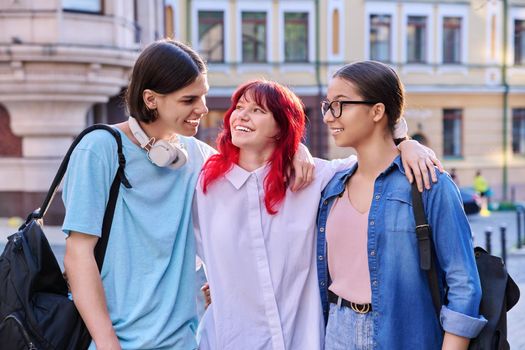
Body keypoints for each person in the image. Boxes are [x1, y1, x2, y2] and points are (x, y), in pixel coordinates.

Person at [61, 38, 317, 350]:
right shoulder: (100, 149)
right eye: (189, 100)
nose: (203, 109)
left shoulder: (196, 156)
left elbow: (256, 166)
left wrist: (297, 150)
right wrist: (107, 344)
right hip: (109, 344)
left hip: (184, 343)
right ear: (152, 99)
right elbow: (78, 255)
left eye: (203, 97)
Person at [193, 79, 443, 349]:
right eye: (239, 107)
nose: (241, 115)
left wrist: (406, 143)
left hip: (300, 339)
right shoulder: (205, 185)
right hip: (229, 339)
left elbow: (372, 159)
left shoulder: (312, 179)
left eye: (257, 110)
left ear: (282, 126)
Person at [317, 61, 487, 350]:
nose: (328, 117)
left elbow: (463, 284)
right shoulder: (332, 186)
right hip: (336, 331)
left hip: (405, 334)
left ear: (377, 111)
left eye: (340, 104)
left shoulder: (428, 184)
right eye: (327, 105)